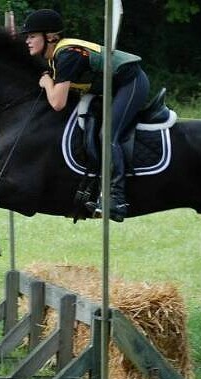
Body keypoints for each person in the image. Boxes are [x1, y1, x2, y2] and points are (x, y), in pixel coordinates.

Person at [20, 9, 150, 222]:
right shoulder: (56, 57)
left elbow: (58, 102)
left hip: (131, 82)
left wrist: (46, 83)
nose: (28, 41)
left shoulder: (67, 54)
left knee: (107, 135)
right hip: (111, 88)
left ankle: (116, 199)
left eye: (32, 36)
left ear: (50, 37)